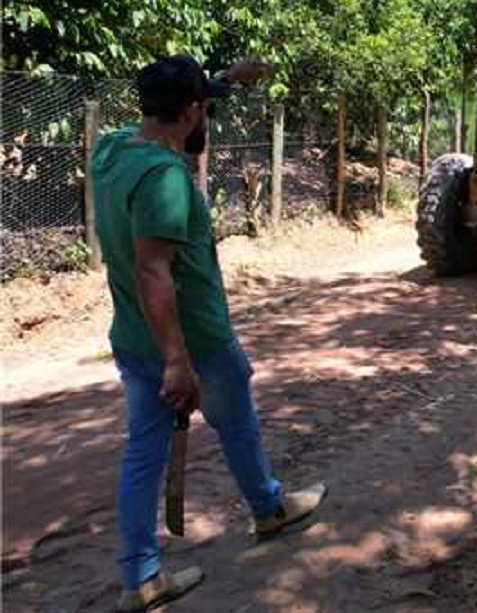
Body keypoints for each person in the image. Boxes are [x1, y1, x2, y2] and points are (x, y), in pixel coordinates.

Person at [92, 55, 326, 612]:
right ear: (193, 111)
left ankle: (142, 577)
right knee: (236, 418)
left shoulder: (113, 148)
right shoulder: (164, 177)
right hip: (191, 339)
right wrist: (178, 360)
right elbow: (154, 272)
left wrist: (223, 79)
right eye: (204, 106)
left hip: (132, 337)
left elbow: (178, 103)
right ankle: (268, 509)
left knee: (143, 454)